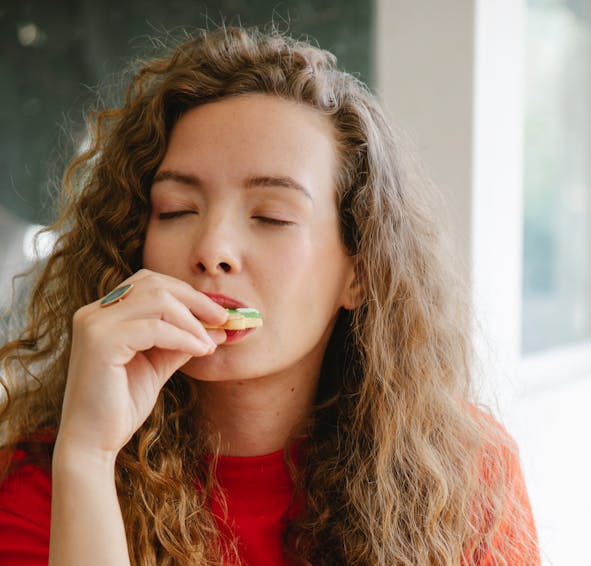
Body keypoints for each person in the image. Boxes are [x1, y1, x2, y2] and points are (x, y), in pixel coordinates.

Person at [0, 26, 539, 565]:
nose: (213, 249)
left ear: (360, 270)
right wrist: (89, 459)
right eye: (176, 211)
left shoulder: (467, 477)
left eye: (272, 217)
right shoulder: (45, 483)